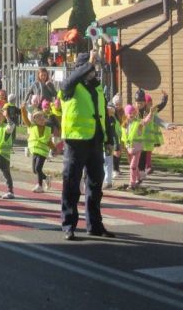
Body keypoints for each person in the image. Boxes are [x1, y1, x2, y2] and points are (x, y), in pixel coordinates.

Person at [58, 54, 115, 240]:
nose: (93, 71)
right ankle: (69, 224)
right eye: (89, 68)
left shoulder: (97, 88)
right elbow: (68, 81)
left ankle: (95, 225)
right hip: (76, 141)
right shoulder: (71, 87)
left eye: (94, 68)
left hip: (95, 141)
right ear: (81, 69)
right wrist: (89, 62)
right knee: (72, 184)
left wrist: (109, 139)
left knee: (95, 186)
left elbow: (104, 116)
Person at [21, 104, 52, 192]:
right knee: (35, 170)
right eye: (39, 119)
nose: (42, 120)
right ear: (35, 120)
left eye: (43, 119)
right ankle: (46, 178)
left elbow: (49, 141)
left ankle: (39, 186)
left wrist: (54, 149)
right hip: (34, 150)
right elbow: (25, 119)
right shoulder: (32, 127)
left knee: (38, 168)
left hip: (42, 152)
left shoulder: (47, 129)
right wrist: (23, 110)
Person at [122, 104, 145, 189]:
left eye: (133, 113)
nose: (131, 115)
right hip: (129, 148)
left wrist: (150, 114)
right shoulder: (124, 125)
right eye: (129, 113)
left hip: (137, 148)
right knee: (134, 166)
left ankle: (132, 184)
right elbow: (124, 136)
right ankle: (139, 178)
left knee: (132, 166)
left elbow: (145, 121)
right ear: (126, 114)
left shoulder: (138, 123)